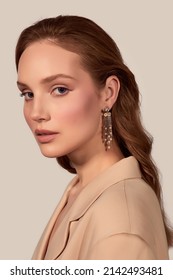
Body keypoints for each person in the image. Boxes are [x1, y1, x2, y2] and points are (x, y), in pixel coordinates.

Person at [15, 15, 172, 260]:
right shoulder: (80, 190)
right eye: (28, 94)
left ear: (108, 92)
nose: (36, 113)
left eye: (60, 89)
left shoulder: (119, 222)